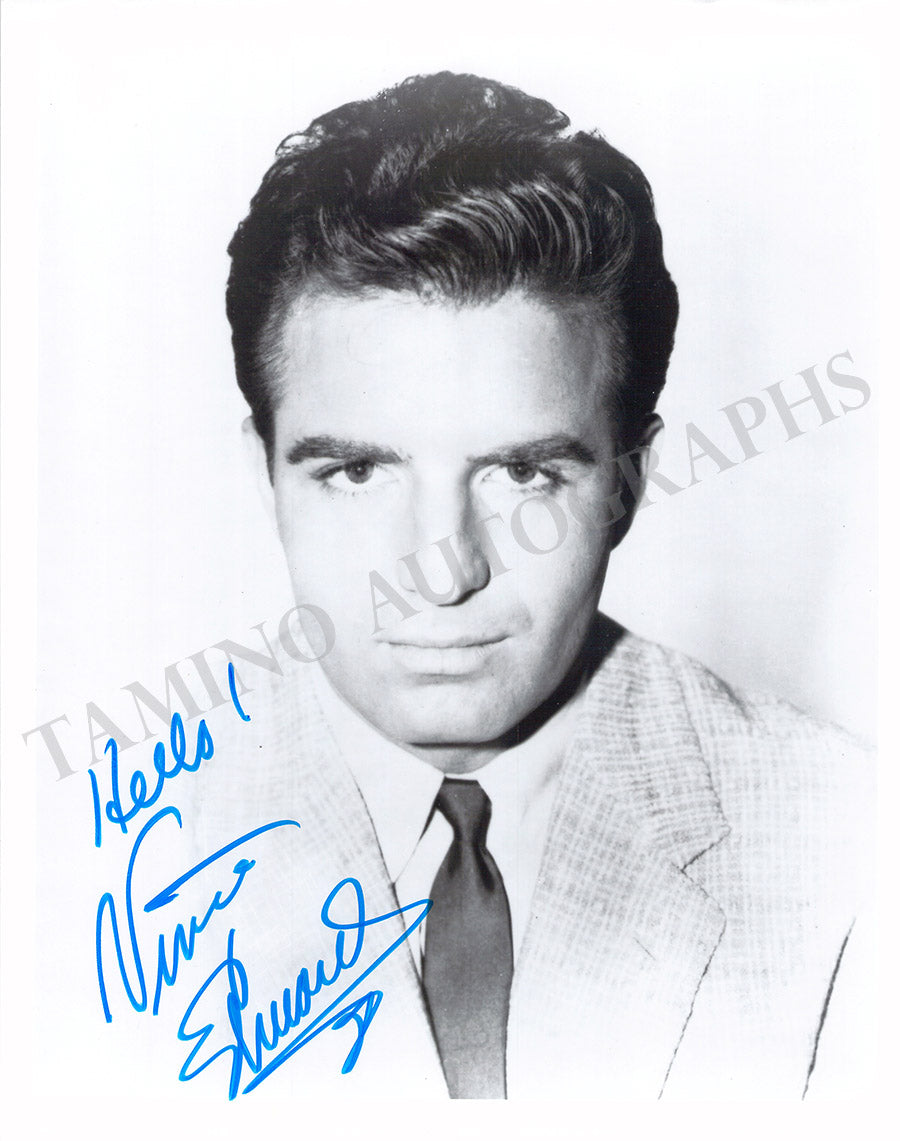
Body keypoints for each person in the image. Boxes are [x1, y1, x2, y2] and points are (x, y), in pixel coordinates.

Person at [184, 72, 871, 1100]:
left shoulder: (847, 841)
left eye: (522, 474)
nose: (445, 570)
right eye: (359, 471)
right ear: (265, 477)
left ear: (626, 486)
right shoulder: (71, 854)